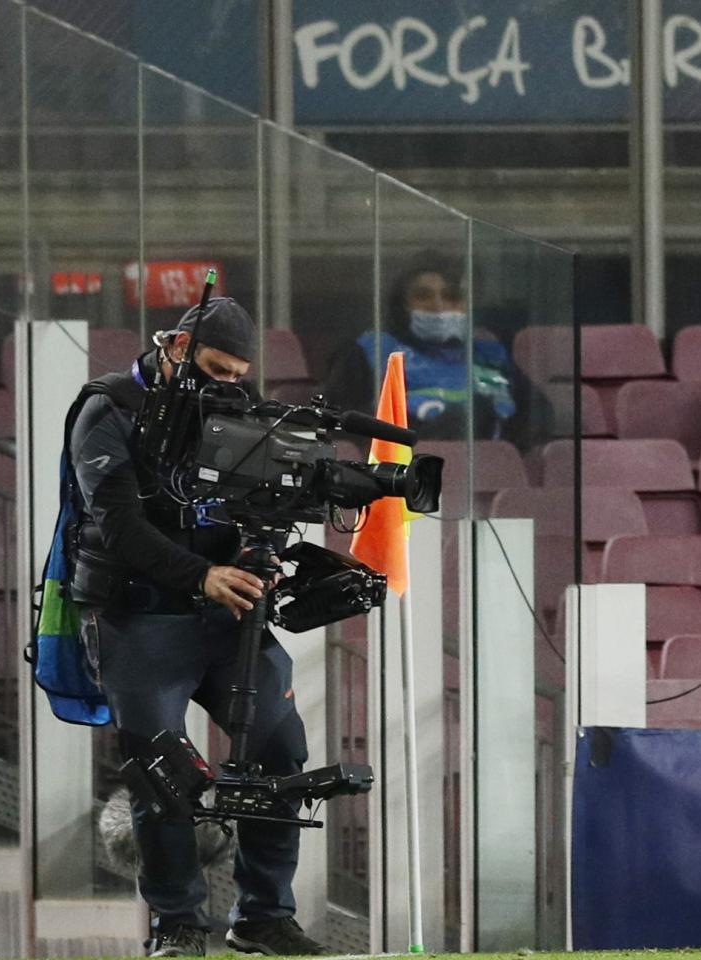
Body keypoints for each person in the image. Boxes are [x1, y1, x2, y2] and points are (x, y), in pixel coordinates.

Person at [67, 300, 325, 956]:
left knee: (280, 747)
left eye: (238, 374)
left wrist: (257, 559)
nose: (228, 386)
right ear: (178, 345)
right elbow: (120, 527)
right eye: (215, 370)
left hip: (225, 612)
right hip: (138, 614)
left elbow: (267, 508)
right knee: (162, 769)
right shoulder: (109, 409)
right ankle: (179, 924)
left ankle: (263, 916)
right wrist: (202, 575)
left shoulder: (243, 405)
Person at [321, 253, 550, 448]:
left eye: (452, 297)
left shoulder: (487, 353)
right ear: (402, 304)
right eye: (423, 296)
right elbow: (337, 423)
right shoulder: (370, 351)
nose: (438, 305)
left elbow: (537, 416)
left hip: (487, 475)